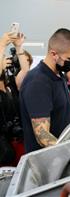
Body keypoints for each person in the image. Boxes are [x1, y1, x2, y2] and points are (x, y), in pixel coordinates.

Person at [19, 28, 70, 153]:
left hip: (59, 157)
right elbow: (43, 136)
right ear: (53, 54)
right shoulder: (38, 82)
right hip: (45, 162)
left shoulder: (59, 75)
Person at [0, 32, 30, 166]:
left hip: (16, 140)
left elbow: (25, 70)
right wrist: (2, 44)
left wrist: (19, 47)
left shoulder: (10, 85)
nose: (6, 60)